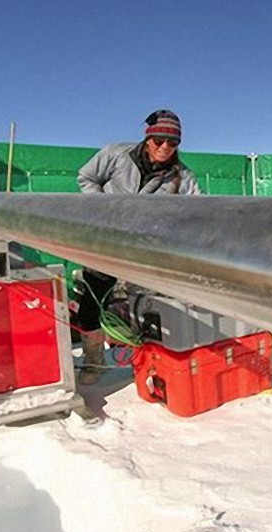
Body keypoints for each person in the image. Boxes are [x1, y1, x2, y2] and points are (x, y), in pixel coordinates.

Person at [74, 109, 201, 384]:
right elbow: (86, 177)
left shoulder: (183, 177)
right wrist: (104, 210)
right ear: (147, 139)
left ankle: (147, 361)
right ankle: (93, 362)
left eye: (173, 143)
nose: (165, 148)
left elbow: (196, 214)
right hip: (105, 243)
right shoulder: (116, 154)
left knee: (147, 308)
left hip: (146, 252)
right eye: (159, 141)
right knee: (92, 302)